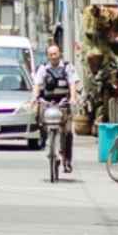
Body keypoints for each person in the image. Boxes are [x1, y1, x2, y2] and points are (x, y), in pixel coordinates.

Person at [30, 42, 80, 173]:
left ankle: (67, 160)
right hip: (47, 102)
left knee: (68, 131)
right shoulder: (42, 69)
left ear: (60, 54)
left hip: (63, 103)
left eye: (55, 54)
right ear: (47, 56)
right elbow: (37, 85)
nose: (53, 57)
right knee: (40, 117)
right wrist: (34, 98)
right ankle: (44, 137)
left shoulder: (68, 67)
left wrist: (73, 98)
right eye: (50, 54)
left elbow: (72, 83)